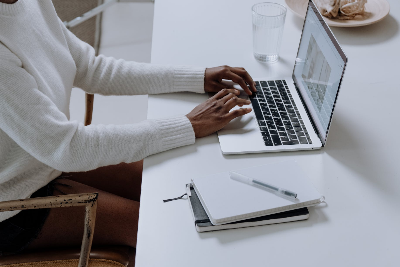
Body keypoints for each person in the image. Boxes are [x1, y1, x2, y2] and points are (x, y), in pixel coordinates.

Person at [0, 0, 256, 262]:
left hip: (43, 159)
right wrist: (189, 124)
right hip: (11, 207)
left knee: (173, 185)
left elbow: (90, 68)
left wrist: (196, 77)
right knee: (163, 231)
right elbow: (69, 148)